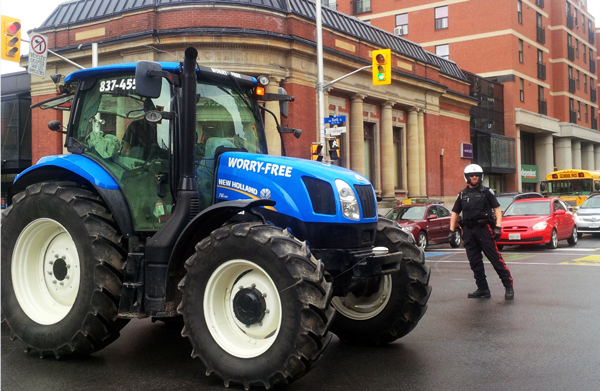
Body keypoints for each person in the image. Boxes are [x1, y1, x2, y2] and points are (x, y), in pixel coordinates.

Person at [449, 164, 514, 300]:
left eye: (477, 175)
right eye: (471, 175)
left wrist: (498, 226)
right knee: (474, 261)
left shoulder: (486, 192)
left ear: (480, 177)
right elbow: (455, 212)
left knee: (495, 259)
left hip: (484, 229)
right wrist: (451, 231)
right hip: (468, 231)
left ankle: (508, 286)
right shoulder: (462, 194)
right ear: (466, 177)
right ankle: (483, 289)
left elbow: (497, 209)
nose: (474, 177)